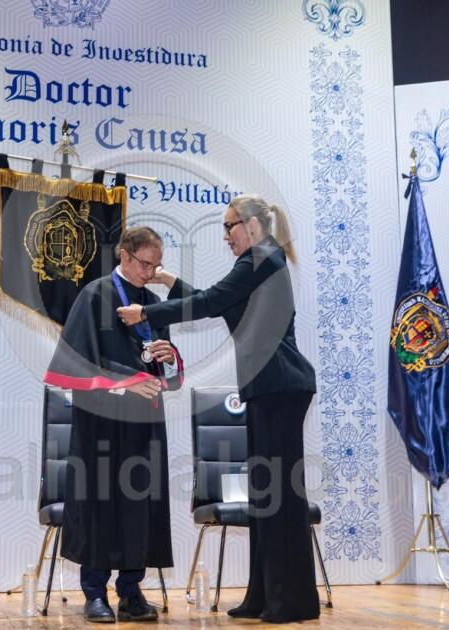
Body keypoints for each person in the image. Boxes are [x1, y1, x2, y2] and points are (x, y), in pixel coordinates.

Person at [118, 194, 319, 623]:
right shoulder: (259, 262)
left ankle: (290, 601)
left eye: (229, 226)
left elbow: (210, 301)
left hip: (280, 388)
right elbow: (216, 302)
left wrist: (145, 312)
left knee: (279, 498)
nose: (225, 236)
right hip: (269, 389)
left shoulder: (260, 258)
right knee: (265, 497)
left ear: (251, 225)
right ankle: (263, 596)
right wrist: (169, 280)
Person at [44, 227, 183, 624]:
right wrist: (125, 382)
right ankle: (94, 592)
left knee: (141, 505)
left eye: (156, 266)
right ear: (123, 254)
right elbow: (72, 367)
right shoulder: (94, 296)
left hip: (144, 422)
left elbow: (169, 374)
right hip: (102, 421)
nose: (149, 273)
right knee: (100, 504)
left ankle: (131, 591)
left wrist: (168, 356)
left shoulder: (153, 303)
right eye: (144, 264)